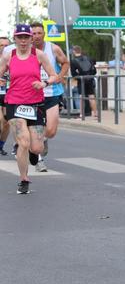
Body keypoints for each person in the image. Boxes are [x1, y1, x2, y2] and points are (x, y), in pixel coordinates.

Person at [0, 25, 58, 194]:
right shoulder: (8, 56)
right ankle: (23, 179)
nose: (23, 41)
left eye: (27, 37)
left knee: (37, 148)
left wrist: (44, 83)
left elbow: (54, 75)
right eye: (20, 37)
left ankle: (34, 154)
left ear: (31, 39)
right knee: (23, 141)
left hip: (36, 104)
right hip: (14, 103)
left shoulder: (39, 55)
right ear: (15, 38)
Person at [31, 22, 70, 172]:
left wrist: (60, 75)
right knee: (35, 129)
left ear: (44, 34)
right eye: (33, 33)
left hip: (52, 93)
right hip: (32, 95)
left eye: (39, 33)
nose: (36, 36)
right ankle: (39, 160)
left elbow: (66, 62)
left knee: (51, 131)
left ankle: (43, 140)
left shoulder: (53, 48)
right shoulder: (25, 50)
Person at [70, 45, 98, 119]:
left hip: (81, 80)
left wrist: (78, 76)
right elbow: (94, 70)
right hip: (90, 79)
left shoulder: (73, 61)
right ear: (80, 50)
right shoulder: (88, 58)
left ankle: (81, 115)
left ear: (74, 51)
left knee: (81, 97)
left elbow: (73, 74)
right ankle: (95, 114)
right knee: (91, 96)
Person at [0, 36, 11, 156]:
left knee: (7, 123)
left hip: (9, 94)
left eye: (6, 45)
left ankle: (1, 145)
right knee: (0, 121)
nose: (4, 48)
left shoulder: (13, 59)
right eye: (1, 45)